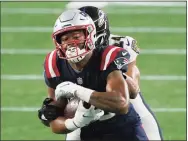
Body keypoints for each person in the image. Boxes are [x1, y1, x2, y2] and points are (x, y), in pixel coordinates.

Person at [38, 9, 148, 141]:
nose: (71, 43)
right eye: (65, 39)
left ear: (90, 34)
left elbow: (125, 100)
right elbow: (53, 121)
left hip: (120, 123)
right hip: (84, 127)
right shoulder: (53, 63)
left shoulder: (110, 53)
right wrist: (75, 121)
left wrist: (77, 90)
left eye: (76, 36)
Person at [77, 6, 163, 140]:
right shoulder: (65, 54)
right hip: (88, 113)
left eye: (81, 33)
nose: (75, 40)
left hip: (129, 111)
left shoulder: (122, 44)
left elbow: (131, 92)